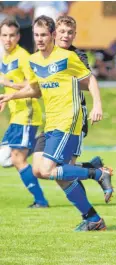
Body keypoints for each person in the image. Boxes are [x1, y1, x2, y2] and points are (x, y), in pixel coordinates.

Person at [0, 15, 113, 231]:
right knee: (45, 172)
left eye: (44, 35)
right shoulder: (34, 60)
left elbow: (90, 79)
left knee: (47, 169)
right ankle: (93, 219)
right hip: (49, 122)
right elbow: (35, 89)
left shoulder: (67, 57)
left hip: (68, 119)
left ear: (52, 35)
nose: (40, 39)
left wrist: (97, 105)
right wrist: (10, 96)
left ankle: (98, 174)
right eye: (36, 35)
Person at [53, 15, 113, 202]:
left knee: (62, 170)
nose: (65, 35)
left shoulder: (77, 56)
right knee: (56, 168)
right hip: (55, 116)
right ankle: (95, 169)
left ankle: (89, 216)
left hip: (75, 115)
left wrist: (97, 104)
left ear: (75, 34)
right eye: (62, 31)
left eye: (70, 32)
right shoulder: (47, 55)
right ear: (54, 33)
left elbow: (88, 82)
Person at [0, 17, 48, 208]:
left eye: (12, 35)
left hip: (27, 114)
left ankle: (40, 200)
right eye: (4, 35)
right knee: (5, 159)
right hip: (15, 114)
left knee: (18, 159)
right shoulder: (6, 57)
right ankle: (41, 147)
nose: (8, 39)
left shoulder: (23, 56)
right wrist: (5, 97)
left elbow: (34, 84)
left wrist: (8, 84)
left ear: (18, 36)